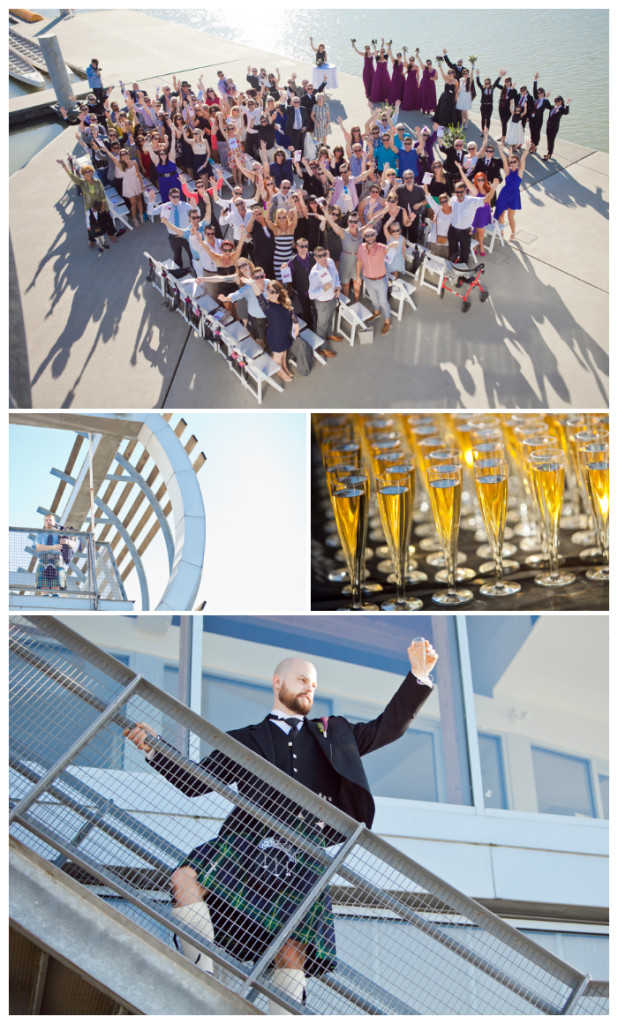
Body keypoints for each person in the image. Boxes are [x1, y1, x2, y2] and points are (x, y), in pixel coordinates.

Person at [124, 640, 437, 1012]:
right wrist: (155, 748)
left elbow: (388, 728)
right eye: (302, 679)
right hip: (247, 840)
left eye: (314, 684)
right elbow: (196, 782)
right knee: (184, 880)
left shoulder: (334, 733)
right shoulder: (244, 739)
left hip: (304, 849)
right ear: (277, 682)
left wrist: (418, 677)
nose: (310, 687)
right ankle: (202, 983)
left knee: (292, 949)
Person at [56, 158, 119, 246]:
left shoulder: (97, 182)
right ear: (83, 174)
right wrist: (64, 165)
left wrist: (102, 208)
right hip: (90, 207)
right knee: (92, 224)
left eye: (89, 171)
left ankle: (111, 235)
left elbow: (103, 195)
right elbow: (72, 176)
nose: (88, 173)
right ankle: (92, 239)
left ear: (92, 172)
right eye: (86, 172)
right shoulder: (82, 183)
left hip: (101, 205)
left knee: (107, 221)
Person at [355, 226, 392, 335]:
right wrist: (358, 276)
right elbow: (359, 262)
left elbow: (390, 256)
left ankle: (387, 321)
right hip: (367, 279)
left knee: (383, 302)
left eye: (372, 235)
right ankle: (376, 312)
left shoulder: (381, 247)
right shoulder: (361, 247)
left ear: (375, 235)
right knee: (373, 299)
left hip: (380, 280)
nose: (370, 237)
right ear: (364, 237)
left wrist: (392, 248)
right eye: (367, 235)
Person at [308, 247, 343, 355]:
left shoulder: (331, 262)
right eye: (320, 256)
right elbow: (311, 295)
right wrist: (323, 289)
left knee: (330, 319)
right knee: (321, 326)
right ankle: (321, 348)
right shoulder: (314, 273)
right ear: (315, 258)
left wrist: (338, 286)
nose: (323, 258)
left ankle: (329, 334)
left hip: (332, 298)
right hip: (322, 303)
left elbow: (336, 276)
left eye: (324, 255)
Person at [493, 141, 531, 240]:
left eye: (514, 162)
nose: (512, 163)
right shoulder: (507, 170)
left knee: (510, 218)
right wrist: (501, 152)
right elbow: (505, 161)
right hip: (505, 194)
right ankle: (501, 232)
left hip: (514, 195)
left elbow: (523, 159)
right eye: (511, 162)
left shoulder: (520, 171)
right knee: (501, 215)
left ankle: (513, 233)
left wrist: (527, 148)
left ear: (517, 163)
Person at [34, 512, 79, 594]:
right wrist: (52, 547)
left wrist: (66, 541)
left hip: (57, 560)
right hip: (43, 560)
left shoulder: (61, 533)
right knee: (44, 589)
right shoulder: (40, 534)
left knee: (56, 589)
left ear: (54, 522)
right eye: (46, 520)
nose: (48, 522)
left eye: (50, 520)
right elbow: (38, 547)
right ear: (44, 522)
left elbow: (74, 545)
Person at [529, 74, 552, 153]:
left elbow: (550, 107)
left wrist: (559, 107)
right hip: (532, 118)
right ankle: (531, 144)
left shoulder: (545, 101)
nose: (539, 94)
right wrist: (535, 79)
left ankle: (535, 146)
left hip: (538, 119)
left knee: (537, 133)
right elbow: (534, 88)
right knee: (532, 132)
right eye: (538, 93)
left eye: (541, 93)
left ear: (544, 93)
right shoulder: (536, 98)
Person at [544, 95, 571, 161]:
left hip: (554, 127)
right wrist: (545, 98)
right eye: (555, 101)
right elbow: (546, 105)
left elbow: (566, 112)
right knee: (548, 139)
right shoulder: (553, 107)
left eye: (557, 101)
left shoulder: (562, 109)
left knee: (551, 140)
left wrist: (567, 104)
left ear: (561, 101)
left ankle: (549, 154)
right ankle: (549, 152)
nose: (556, 102)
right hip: (549, 126)